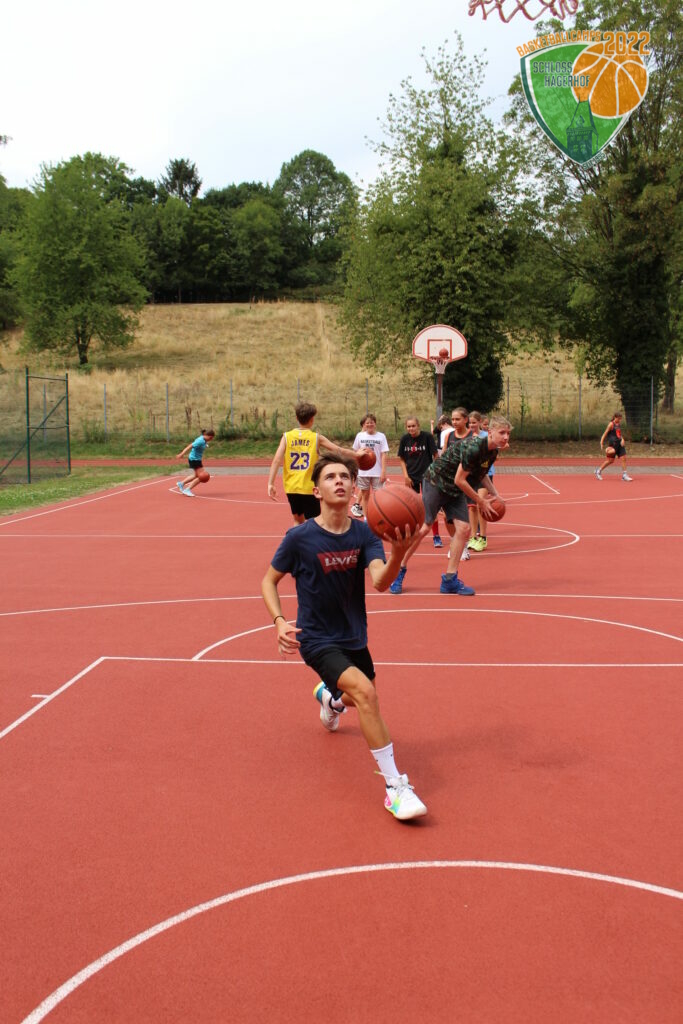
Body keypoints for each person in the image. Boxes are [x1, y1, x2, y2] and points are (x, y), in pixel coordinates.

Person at [261, 454, 427, 821]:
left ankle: (331, 700)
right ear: (316, 491)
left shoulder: (364, 533)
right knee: (366, 694)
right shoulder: (299, 538)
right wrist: (279, 621)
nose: (339, 481)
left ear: (354, 487)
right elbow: (268, 581)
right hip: (317, 638)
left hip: (353, 636)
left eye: (344, 477)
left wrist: (399, 553)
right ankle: (395, 788)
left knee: (359, 699)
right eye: (330, 477)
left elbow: (380, 582)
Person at [389, 416, 513, 596]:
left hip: (454, 490)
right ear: (490, 432)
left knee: (463, 529)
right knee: (425, 528)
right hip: (436, 482)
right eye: (502, 432)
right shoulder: (474, 447)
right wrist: (480, 501)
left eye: (508, 433)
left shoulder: (492, 452)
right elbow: (460, 480)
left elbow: (482, 475)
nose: (506, 437)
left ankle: (449, 579)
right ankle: (398, 570)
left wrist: (496, 495)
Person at [267, 402, 358, 525]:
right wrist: (357, 454)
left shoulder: (287, 437)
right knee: (315, 522)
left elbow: (276, 460)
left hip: (292, 487)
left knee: (297, 521)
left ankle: (297, 538)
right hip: (309, 487)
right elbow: (338, 450)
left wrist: (271, 483)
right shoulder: (316, 438)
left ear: (296, 418)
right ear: (312, 419)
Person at [396, 416, 442, 549]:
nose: (411, 428)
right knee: (411, 508)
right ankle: (411, 535)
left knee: (430, 506)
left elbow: (436, 456)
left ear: (418, 426)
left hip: (427, 476)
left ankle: (436, 536)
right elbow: (402, 459)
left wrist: (435, 472)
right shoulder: (405, 439)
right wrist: (406, 476)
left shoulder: (427, 437)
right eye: (408, 426)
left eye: (413, 426)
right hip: (411, 477)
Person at [352, 413, 389, 519]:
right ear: (364, 424)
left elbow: (384, 454)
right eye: (367, 423)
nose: (369, 424)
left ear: (375, 423)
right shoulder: (360, 436)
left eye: (371, 422)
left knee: (379, 496)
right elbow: (355, 453)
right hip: (363, 471)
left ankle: (378, 517)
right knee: (365, 496)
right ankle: (366, 518)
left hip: (377, 471)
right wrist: (355, 470)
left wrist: (383, 471)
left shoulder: (381, 436)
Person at [466, 411, 493, 552]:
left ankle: (483, 537)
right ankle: (473, 537)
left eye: (474, 422)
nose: (472, 425)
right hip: (470, 476)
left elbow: (495, 453)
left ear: (480, 423)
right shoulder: (467, 437)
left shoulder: (486, 436)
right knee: (471, 507)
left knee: (480, 503)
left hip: (485, 474)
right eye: (470, 423)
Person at [176, 428, 215, 496]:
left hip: (196, 459)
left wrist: (205, 444)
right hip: (194, 460)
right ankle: (187, 489)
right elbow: (190, 446)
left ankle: (181, 484)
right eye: (210, 438)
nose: (211, 439)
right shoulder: (200, 441)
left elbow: (201, 444)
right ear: (207, 435)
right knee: (203, 476)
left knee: (196, 475)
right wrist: (182, 454)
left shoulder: (203, 439)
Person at [596, 412, 633, 481]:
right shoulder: (611, 424)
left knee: (624, 458)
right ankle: (598, 471)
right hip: (613, 445)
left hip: (620, 444)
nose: (619, 420)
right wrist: (601, 442)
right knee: (610, 461)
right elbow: (605, 433)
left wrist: (622, 439)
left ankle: (624, 475)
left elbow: (619, 434)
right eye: (618, 419)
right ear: (615, 417)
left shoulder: (618, 424)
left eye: (620, 419)